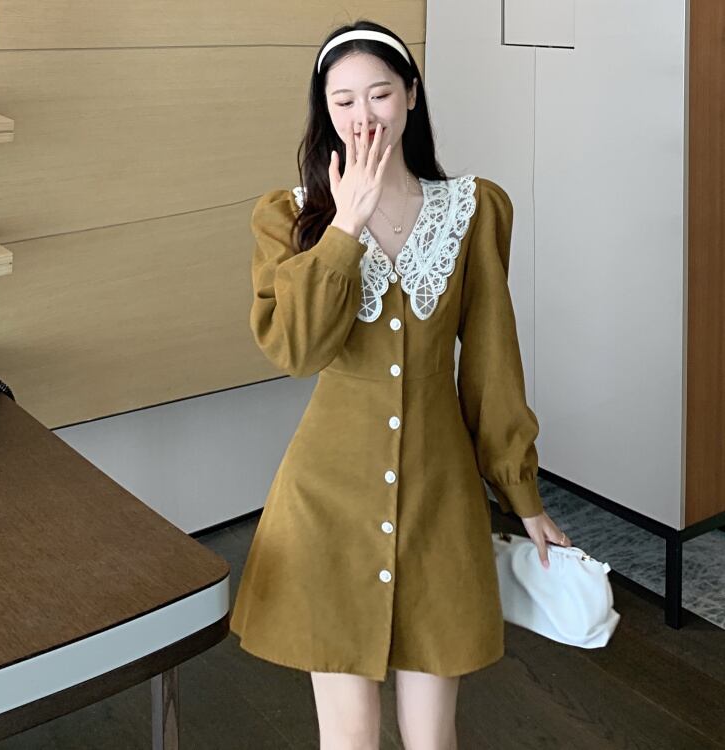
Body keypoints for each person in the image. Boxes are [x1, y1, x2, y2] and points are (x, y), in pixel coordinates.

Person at [230, 19, 573, 750]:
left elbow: (491, 362)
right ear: (324, 110)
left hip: (439, 500)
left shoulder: (474, 209)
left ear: (412, 95)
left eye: (380, 94)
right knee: (349, 736)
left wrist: (522, 494)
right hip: (325, 503)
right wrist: (345, 228)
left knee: (432, 736)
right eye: (343, 100)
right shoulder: (288, 216)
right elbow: (296, 351)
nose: (364, 116)